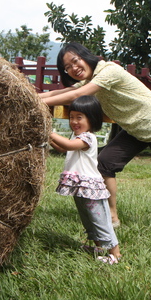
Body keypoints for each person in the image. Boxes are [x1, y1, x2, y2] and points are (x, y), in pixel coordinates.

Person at [40, 43, 151, 236]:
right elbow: (60, 93)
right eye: (67, 68)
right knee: (104, 164)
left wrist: (36, 102)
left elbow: (76, 95)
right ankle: (113, 217)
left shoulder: (109, 70)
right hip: (134, 129)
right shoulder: (90, 80)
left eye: (75, 61)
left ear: (86, 57)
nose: (73, 69)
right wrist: (31, 96)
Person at [49, 95, 121, 264]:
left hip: (91, 188)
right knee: (88, 218)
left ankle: (115, 253)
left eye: (79, 117)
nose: (74, 121)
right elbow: (62, 148)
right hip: (79, 187)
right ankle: (98, 247)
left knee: (100, 219)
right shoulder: (76, 137)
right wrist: (49, 140)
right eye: (71, 117)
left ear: (92, 119)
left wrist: (49, 131)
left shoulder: (88, 138)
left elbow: (67, 145)